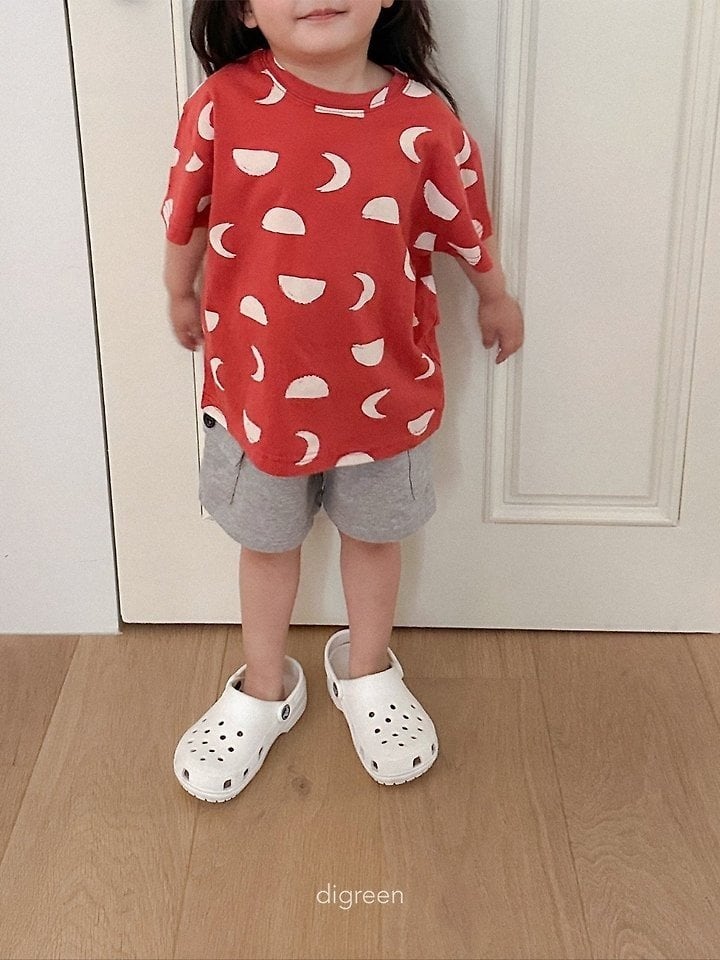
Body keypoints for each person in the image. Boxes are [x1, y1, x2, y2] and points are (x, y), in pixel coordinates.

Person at [162, 0, 524, 802]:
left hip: (384, 392)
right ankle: (265, 685)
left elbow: (465, 224)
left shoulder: (424, 122)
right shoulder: (224, 104)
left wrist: (494, 295)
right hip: (260, 394)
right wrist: (177, 290)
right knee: (266, 545)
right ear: (244, 9)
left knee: (375, 537)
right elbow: (188, 211)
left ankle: (365, 670)